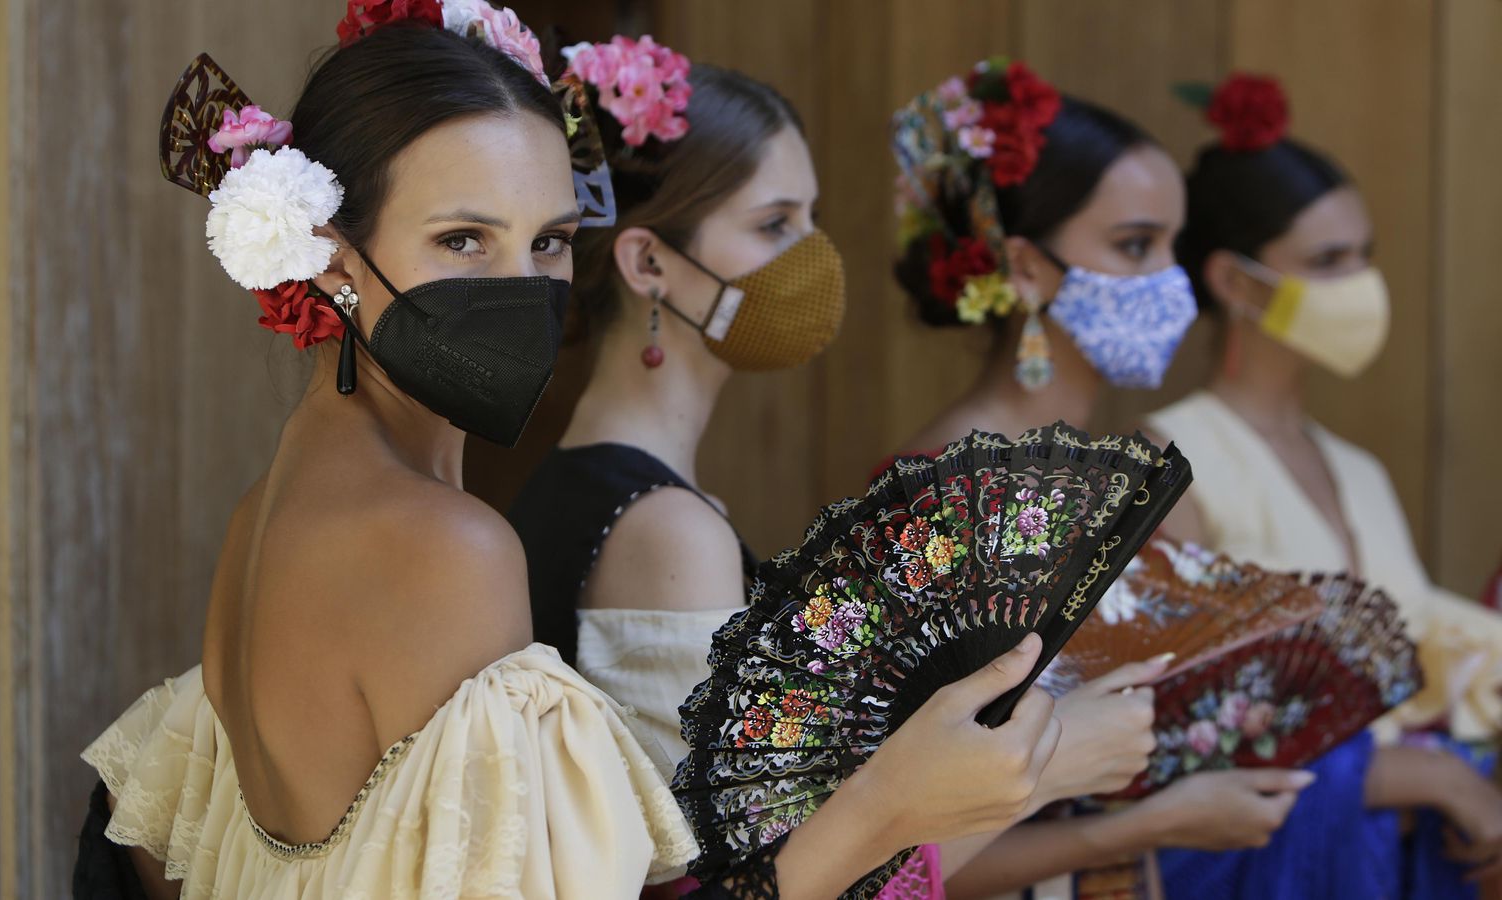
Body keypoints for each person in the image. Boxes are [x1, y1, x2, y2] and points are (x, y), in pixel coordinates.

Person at [75, 9, 1061, 899]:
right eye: (464, 239)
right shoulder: (442, 547)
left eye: (548, 241)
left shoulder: (268, 516)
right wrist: (894, 806)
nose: (523, 286)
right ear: (334, 259)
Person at [508, 45, 1070, 899]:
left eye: (811, 219)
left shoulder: (591, 491)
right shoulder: (666, 529)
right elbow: (742, 884)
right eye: (775, 225)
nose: (815, 256)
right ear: (648, 263)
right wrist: (1056, 766)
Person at [884, 61, 1308, 900]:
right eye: (1134, 245)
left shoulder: (1104, 468)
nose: (1169, 282)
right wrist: (1148, 823)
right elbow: (893, 844)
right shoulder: (952, 492)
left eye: (1173, 246)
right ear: (1027, 267)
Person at [1147, 72, 1502, 898]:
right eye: (1327, 261)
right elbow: (1173, 728)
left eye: (1364, 255)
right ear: (1235, 282)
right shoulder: (1171, 459)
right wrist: (1431, 778)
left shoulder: (1359, 469)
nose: (1360, 284)